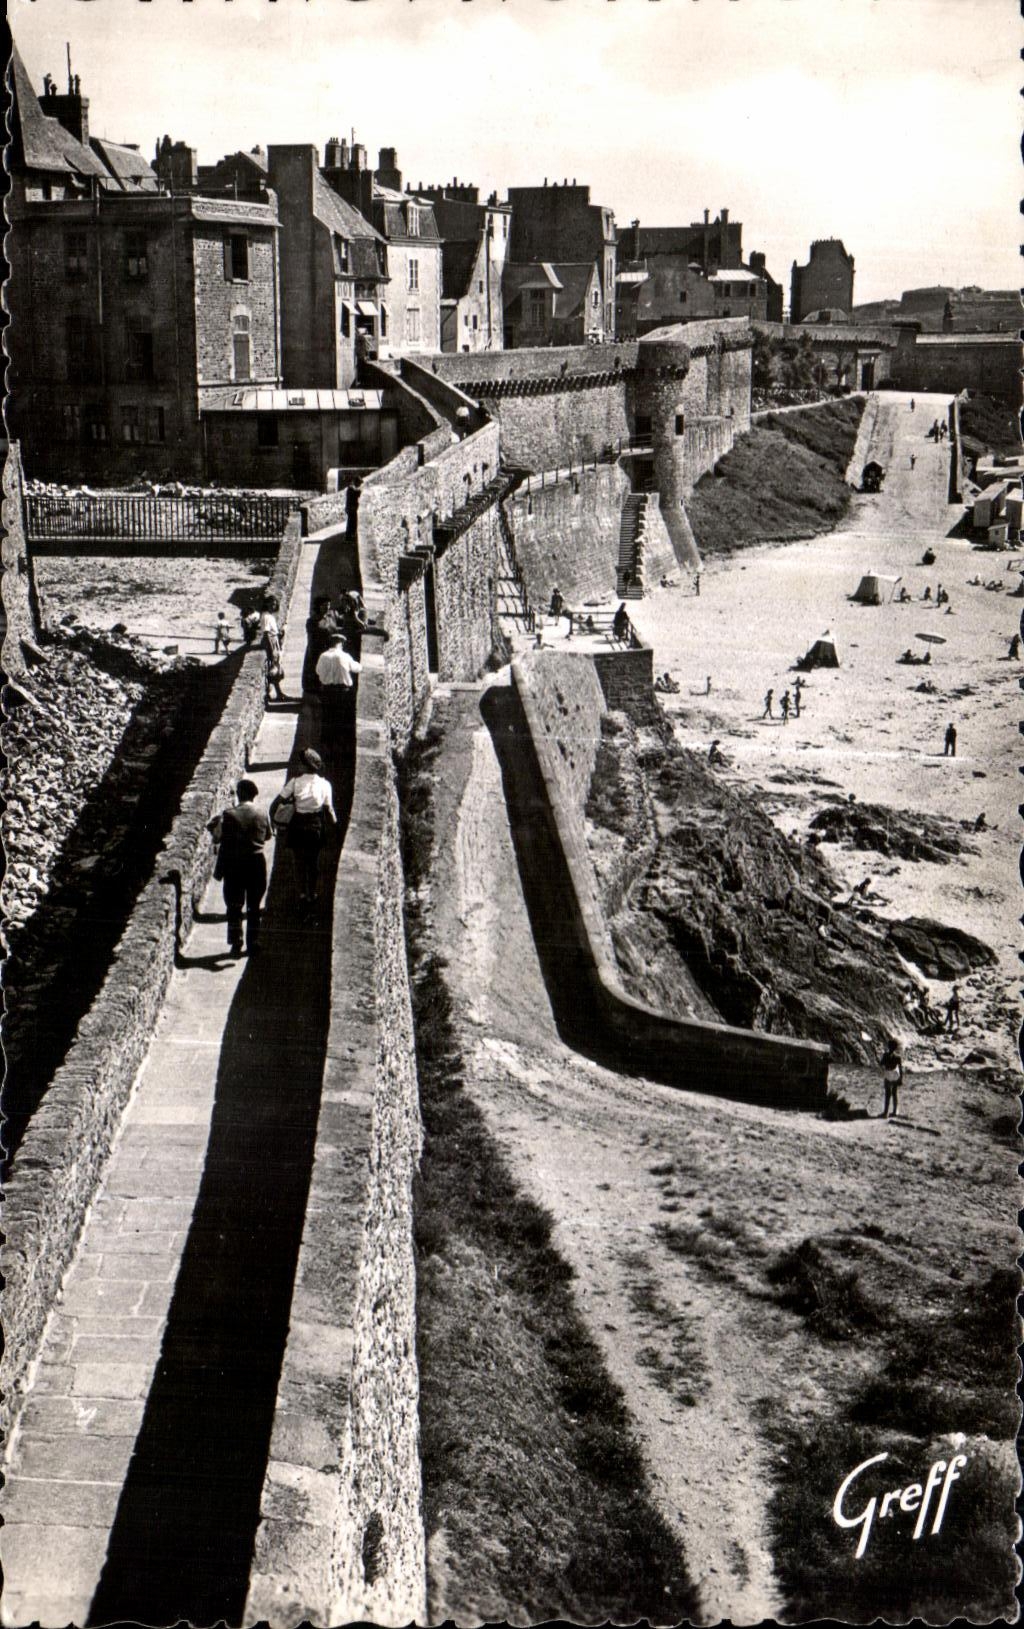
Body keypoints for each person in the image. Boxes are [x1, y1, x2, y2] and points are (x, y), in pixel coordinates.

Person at [209, 778, 272, 957]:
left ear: (239, 794)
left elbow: (217, 838)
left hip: (234, 865)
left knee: (234, 905)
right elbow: (267, 836)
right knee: (254, 905)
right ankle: (253, 943)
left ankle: (236, 942)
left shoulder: (228, 815)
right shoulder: (262, 812)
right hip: (256, 863)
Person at [270, 748, 337, 906]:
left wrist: (275, 821)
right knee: (313, 862)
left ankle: (301, 894)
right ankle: (312, 894)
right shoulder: (325, 784)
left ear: (304, 765)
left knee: (299, 862)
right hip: (316, 827)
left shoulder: (294, 783)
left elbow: (275, 804)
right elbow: (329, 810)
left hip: (298, 826)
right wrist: (334, 827)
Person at [316, 631, 362, 744]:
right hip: (343, 692)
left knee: (327, 716)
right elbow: (357, 668)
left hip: (327, 691)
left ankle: (327, 742)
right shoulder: (345, 656)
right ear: (341, 644)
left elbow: (318, 671)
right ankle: (340, 743)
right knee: (341, 718)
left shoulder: (323, 656)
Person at [260, 595, 286, 702]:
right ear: (266, 604)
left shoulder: (270, 615)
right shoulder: (265, 616)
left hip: (274, 640)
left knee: (275, 668)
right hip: (271, 642)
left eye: (275, 603)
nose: (273, 605)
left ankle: (278, 693)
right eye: (271, 603)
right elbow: (266, 633)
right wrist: (272, 649)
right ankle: (274, 693)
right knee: (274, 669)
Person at [880, 1038, 903, 1118]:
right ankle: (895, 1111)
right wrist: (901, 1079)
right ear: (896, 1047)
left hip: (888, 1073)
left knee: (887, 1094)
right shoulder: (898, 1057)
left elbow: (881, 1063)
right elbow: (900, 1069)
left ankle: (886, 1112)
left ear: (888, 1046)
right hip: (895, 1074)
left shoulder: (885, 1055)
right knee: (894, 1093)